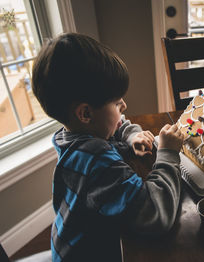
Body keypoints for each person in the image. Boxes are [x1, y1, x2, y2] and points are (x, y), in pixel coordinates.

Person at [32, 33, 184, 262]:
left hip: (64, 243)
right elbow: (156, 213)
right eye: (116, 102)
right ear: (85, 113)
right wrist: (168, 153)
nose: (124, 105)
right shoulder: (96, 161)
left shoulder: (74, 134)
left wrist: (132, 137)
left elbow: (118, 126)